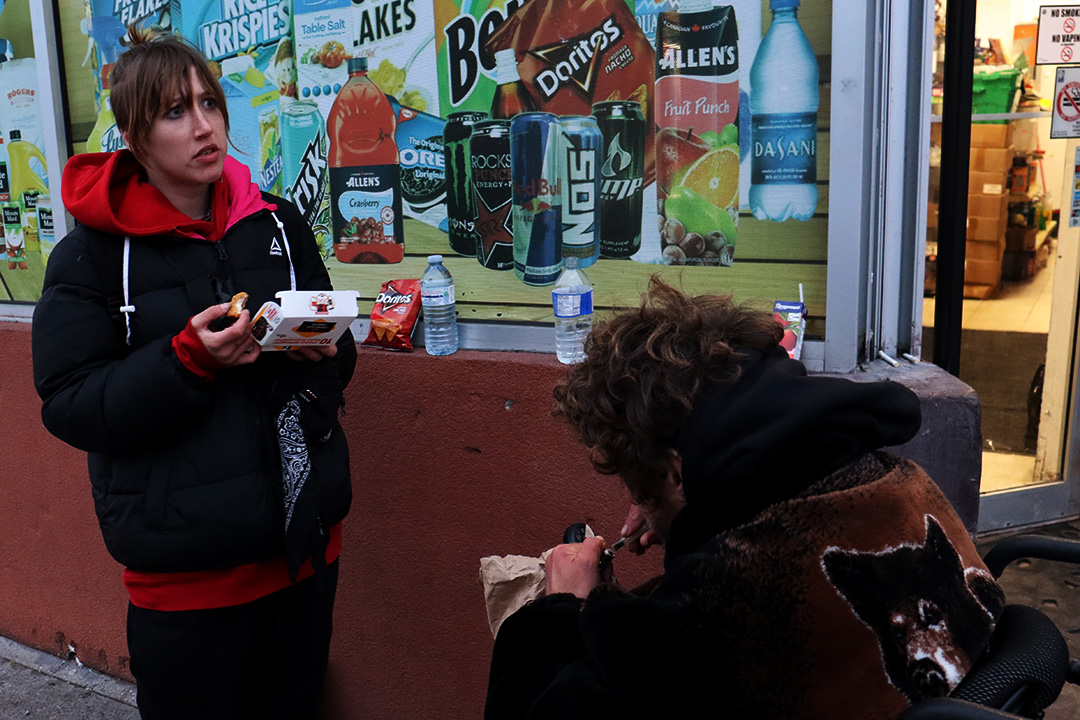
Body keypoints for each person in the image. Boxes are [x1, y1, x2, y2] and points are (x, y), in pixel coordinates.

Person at [485, 279, 1005, 720]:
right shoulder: (899, 481)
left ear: (672, 470)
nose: (633, 497)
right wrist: (686, 512)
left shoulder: (717, 608)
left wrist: (561, 609)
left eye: (634, 480)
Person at [32, 29, 355, 720]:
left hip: (303, 555)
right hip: (186, 584)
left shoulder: (279, 222)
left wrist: (315, 351)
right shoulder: (90, 256)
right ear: (133, 134)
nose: (205, 126)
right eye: (176, 111)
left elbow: (341, 357)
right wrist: (185, 362)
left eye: (211, 101)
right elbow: (68, 403)